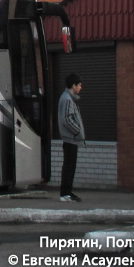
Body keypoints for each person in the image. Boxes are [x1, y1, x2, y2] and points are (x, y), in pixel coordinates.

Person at [57, 72, 84, 202]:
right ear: (73, 85)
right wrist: (77, 131)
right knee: (69, 166)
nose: (80, 88)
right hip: (70, 138)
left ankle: (67, 192)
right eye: (79, 85)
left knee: (69, 166)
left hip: (70, 138)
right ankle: (65, 193)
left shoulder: (67, 98)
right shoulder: (67, 99)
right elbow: (66, 119)